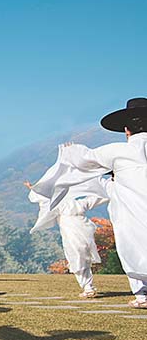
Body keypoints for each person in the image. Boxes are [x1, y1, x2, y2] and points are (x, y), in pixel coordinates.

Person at [32, 98, 147, 309]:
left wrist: (69, 150)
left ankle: (142, 295)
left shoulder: (119, 151)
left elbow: (84, 158)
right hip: (135, 202)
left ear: (127, 130)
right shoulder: (122, 154)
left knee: (133, 244)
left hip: (132, 209)